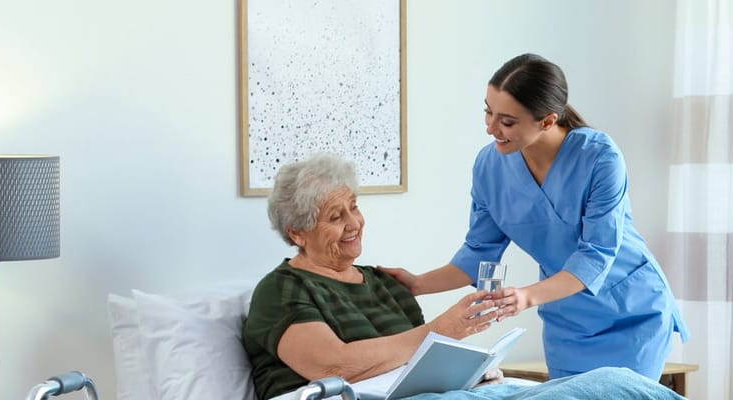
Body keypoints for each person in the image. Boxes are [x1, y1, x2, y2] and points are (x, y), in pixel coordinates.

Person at [382, 53, 690, 381]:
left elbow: (595, 255)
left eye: (507, 121)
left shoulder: (600, 157)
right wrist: (418, 284)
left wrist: (526, 296)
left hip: (631, 314)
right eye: (488, 111)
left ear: (547, 120)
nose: (490, 128)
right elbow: (478, 253)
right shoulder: (489, 167)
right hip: (567, 321)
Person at [241, 154, 507, 400]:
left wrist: (466, 379)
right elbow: (333, 366)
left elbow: (417, 368)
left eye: (354, 207)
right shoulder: (281, 289)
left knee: (547, 391)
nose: (354, 223)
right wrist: (440, 331)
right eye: (335, 217)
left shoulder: (386, 285)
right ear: (298, 233)